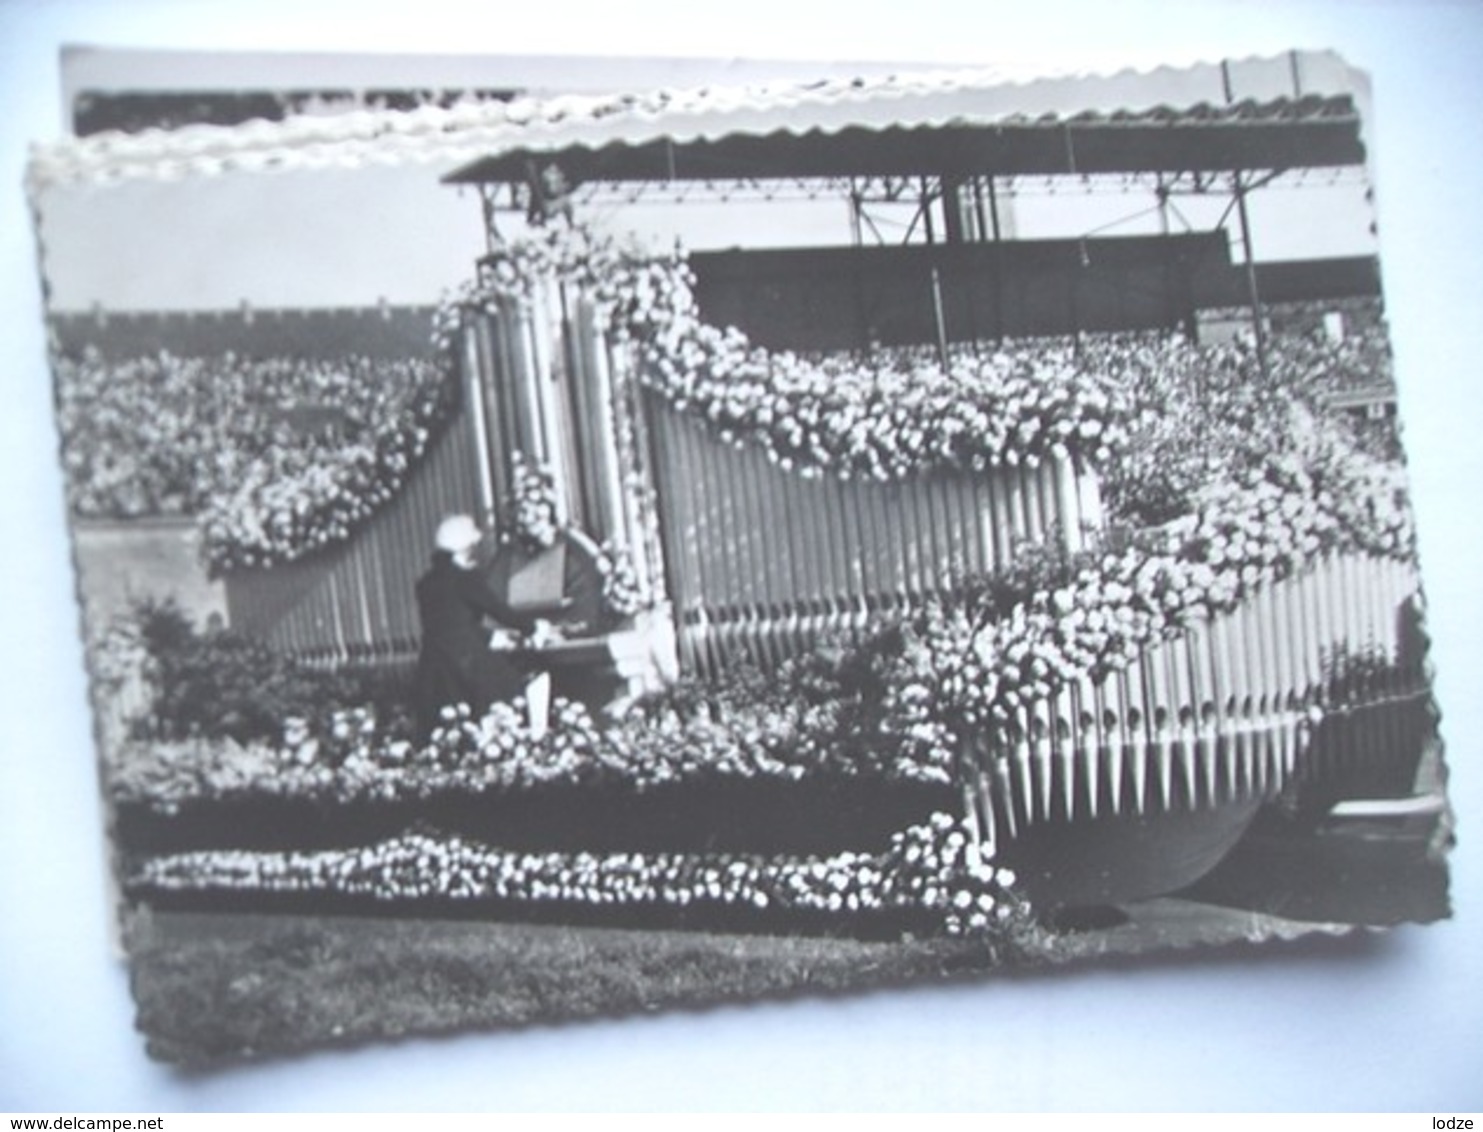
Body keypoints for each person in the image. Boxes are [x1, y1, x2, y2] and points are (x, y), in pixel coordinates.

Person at [411, 513, 536, 740]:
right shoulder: (464, 579)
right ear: (464, 549)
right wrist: (534, 628)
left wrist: (490, 637)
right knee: (509, 691)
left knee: (452, 727)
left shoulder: (426, 583)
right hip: (467, 662)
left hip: (436, 665)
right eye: (471, 547)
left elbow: (450, 623)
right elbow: (499, 611)